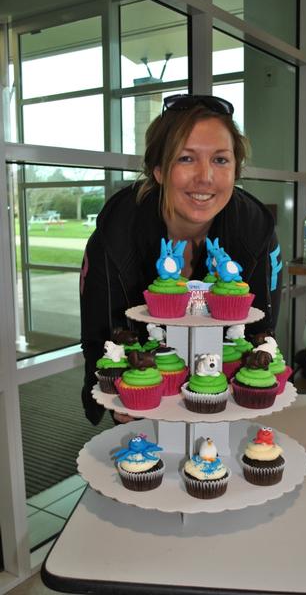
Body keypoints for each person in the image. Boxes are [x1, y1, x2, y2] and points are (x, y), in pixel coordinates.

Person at [80, 94, 282, 425]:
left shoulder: (255, 232)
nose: (205, 178)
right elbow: (100, 340)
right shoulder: (115, 235)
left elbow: (263, 335)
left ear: (236, 170)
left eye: (220, 160)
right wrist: (119, 399)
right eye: (186, 159)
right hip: (143, 403)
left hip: (223, 405)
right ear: (158, 170)